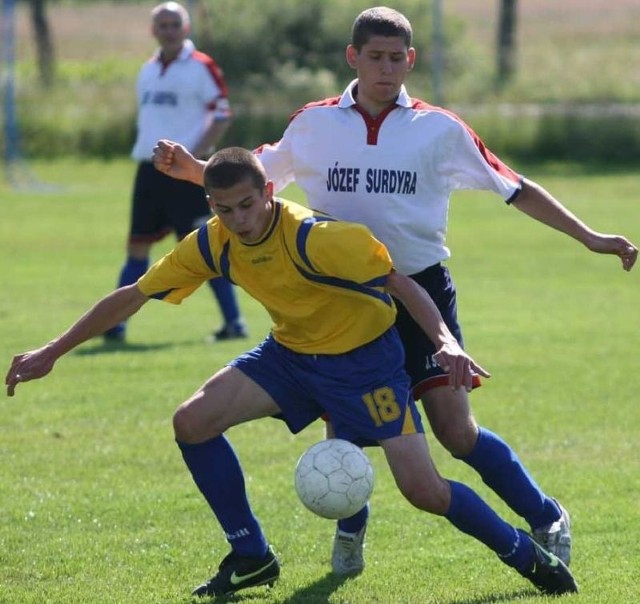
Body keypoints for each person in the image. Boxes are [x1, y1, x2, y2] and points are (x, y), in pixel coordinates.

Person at [151, 5, 639, 578]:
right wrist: (194, 170)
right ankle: (351, 528)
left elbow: (515, 188)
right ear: (352, 57)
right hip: (344, 298)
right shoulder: (314, 123)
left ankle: (546, 515)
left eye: (396, 58)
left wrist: (589, 237)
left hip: (421, 290)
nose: (386, 69)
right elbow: (251, 182)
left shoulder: (439, 129)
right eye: (374, 57)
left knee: (456, 434)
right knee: (346, 433)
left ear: (411, 60)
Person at [6, 147, 579, 599]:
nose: (237, 220)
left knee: (424, 491)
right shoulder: (212, 241)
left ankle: (527, 556)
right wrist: (53, 351)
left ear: (269, 193)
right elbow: (134, 295)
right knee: (193, 422)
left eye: (246, 206)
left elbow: (402, 285)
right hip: (290, 356)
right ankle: (251, 556)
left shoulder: (322, 239)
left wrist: (446, 341)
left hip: (366, 365)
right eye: (222, 209)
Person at [104, 1, 247, 343]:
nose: (168, 31)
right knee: (137, 249)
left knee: (206, 250)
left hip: (183, 173)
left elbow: (223, 114)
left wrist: (195, 156)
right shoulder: (147, 70)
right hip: (149, 173)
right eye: (162, 25)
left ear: (186, 29)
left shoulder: (202, 67)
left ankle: (234, 323)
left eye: (174, 24)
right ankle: (114, 326)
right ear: (153, 31)